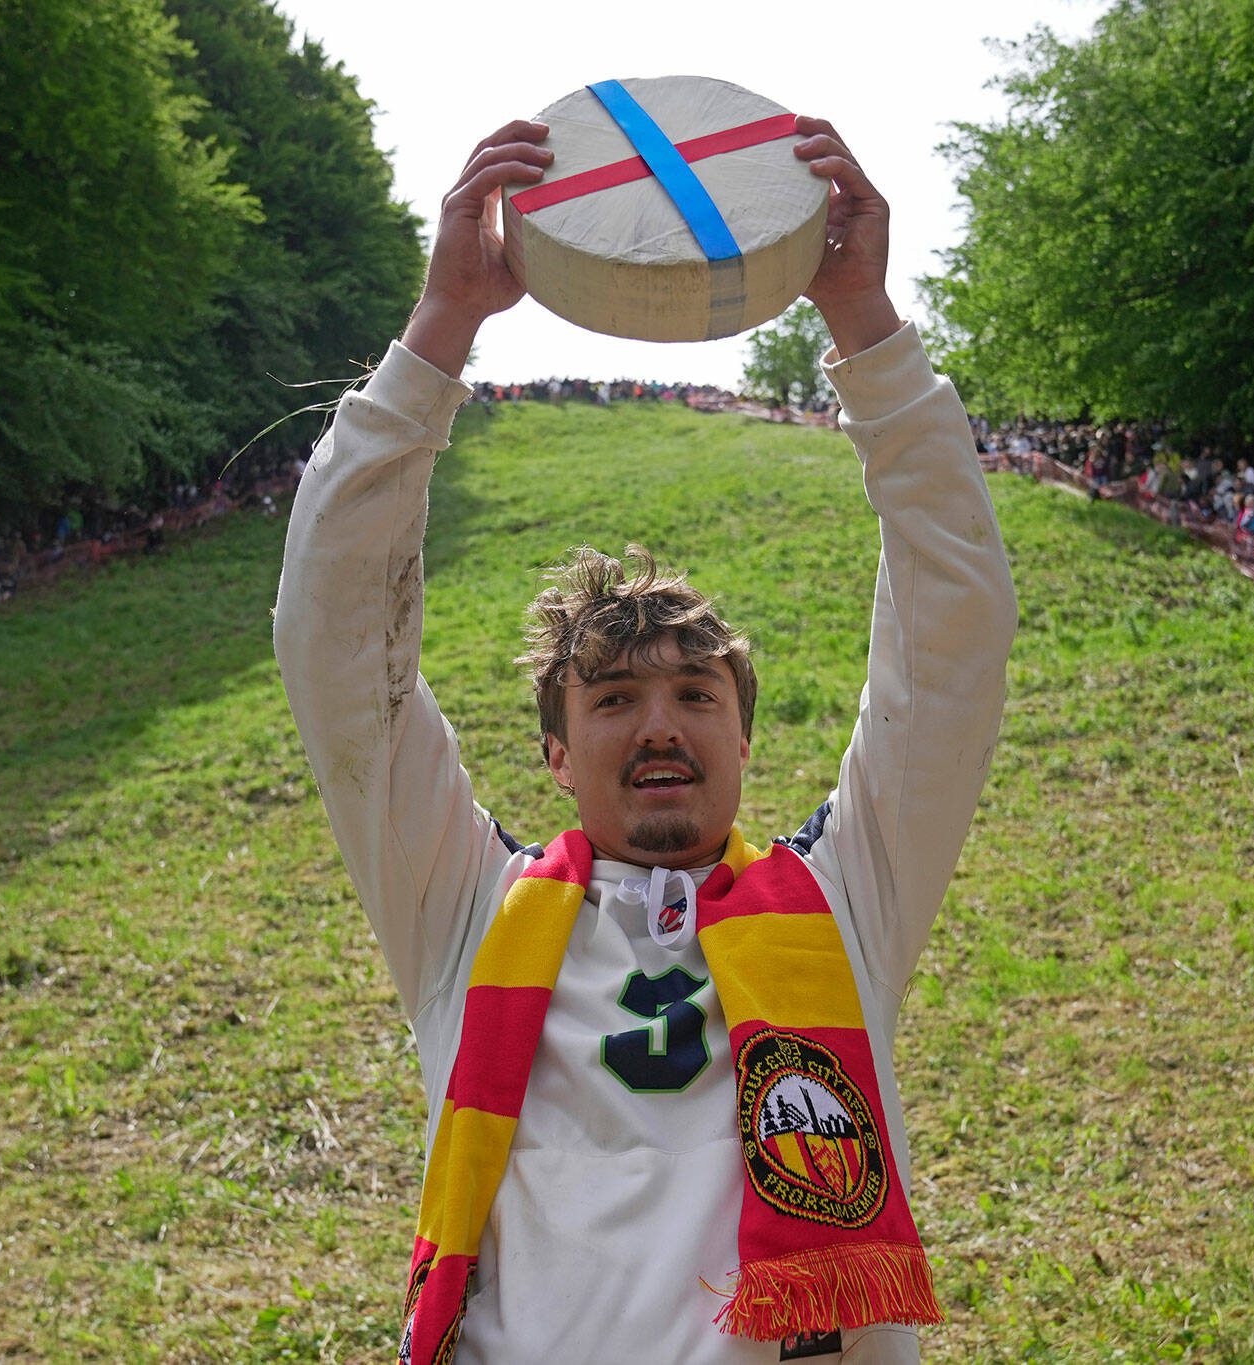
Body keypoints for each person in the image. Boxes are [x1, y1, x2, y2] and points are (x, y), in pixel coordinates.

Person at [274, 117, 1015, 1363]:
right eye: (612, 698)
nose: (659, 723)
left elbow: (952, 647)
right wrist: (439, 331)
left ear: (743, 733)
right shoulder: (465, 910)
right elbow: (337, 649)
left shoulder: (846, 901)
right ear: (555, 756)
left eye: (693, 694)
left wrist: (867, 331)